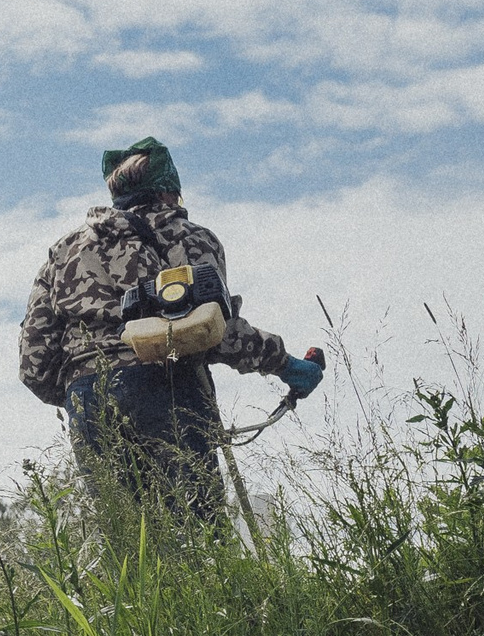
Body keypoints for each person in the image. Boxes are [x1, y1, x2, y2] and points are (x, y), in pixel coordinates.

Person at [20, 136, 322, 521]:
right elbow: (213, 330)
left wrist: (88, 392)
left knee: (128, 542)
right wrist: (287, 364)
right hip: (170, 389)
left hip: (88, 402)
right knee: (197, 535)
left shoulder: (65, 252)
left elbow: (34, 364)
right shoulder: (187, 237)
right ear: (169, 192)